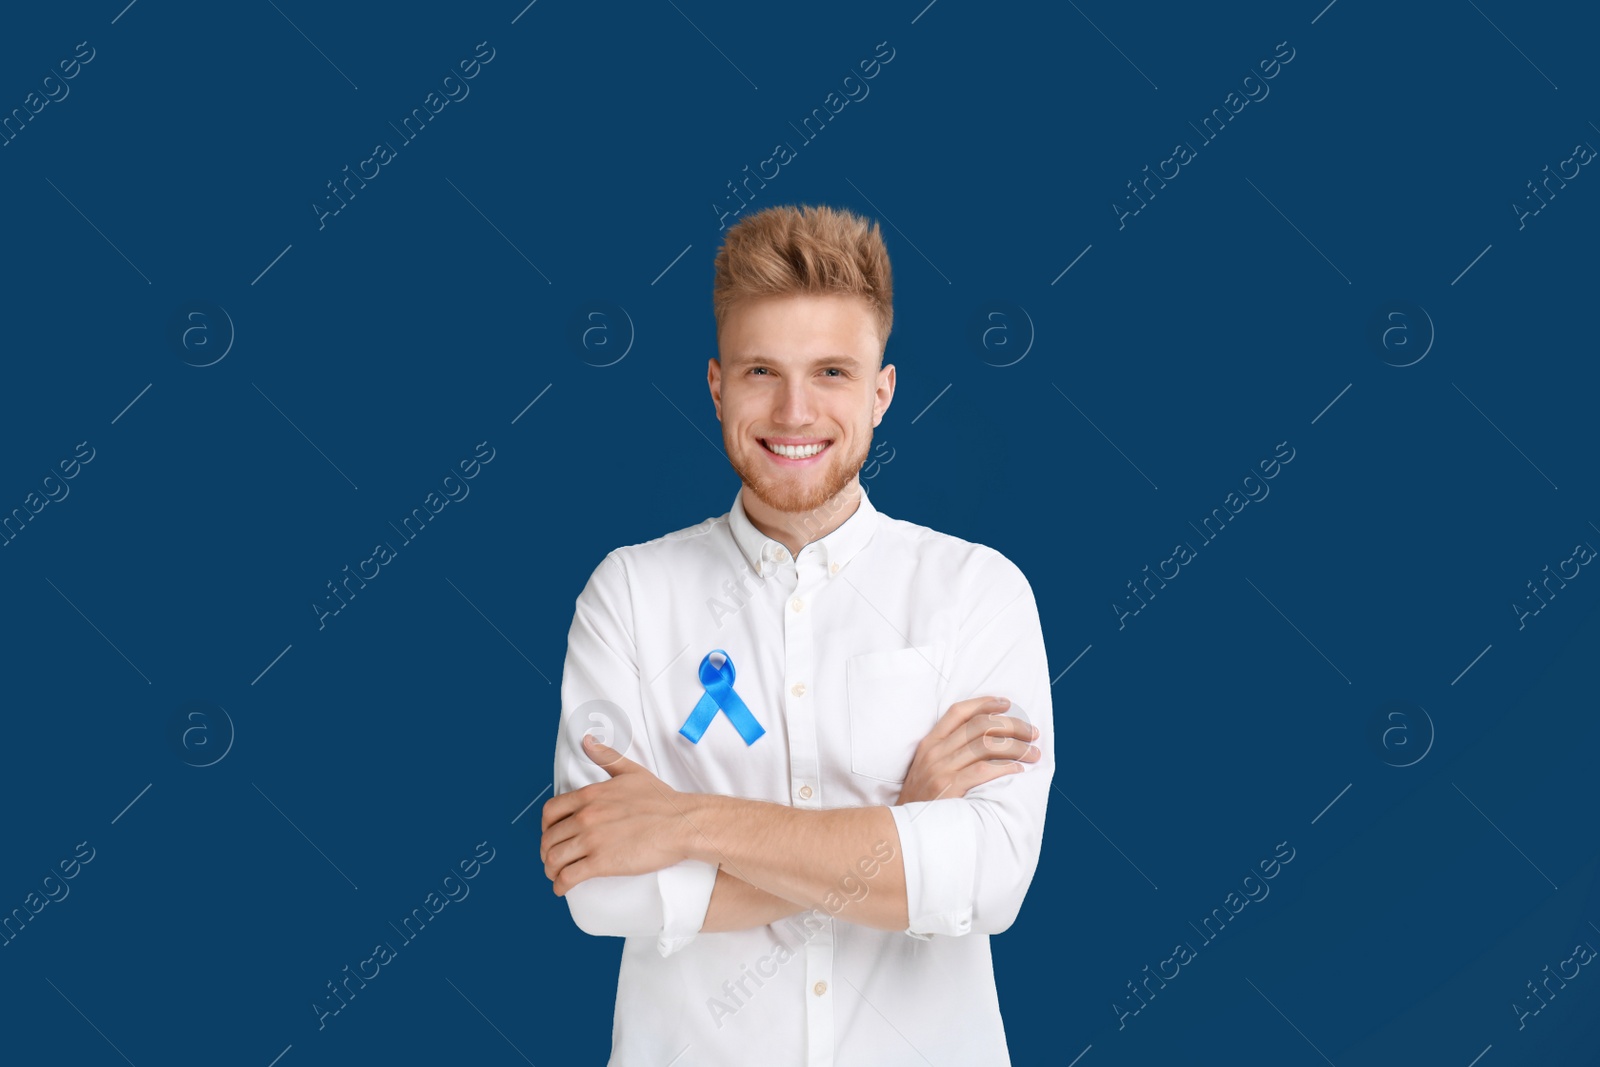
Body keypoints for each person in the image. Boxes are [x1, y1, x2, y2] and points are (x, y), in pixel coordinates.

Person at [540, 203, 1053, 1066]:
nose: (794, 410)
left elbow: (987, 878)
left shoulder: (977, 592)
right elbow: (603, 890)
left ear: (881, 392)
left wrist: (687, 821)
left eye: (831, 373)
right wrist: (902, 829)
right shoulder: (629, 594)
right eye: (760, 371)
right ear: (714, 385)